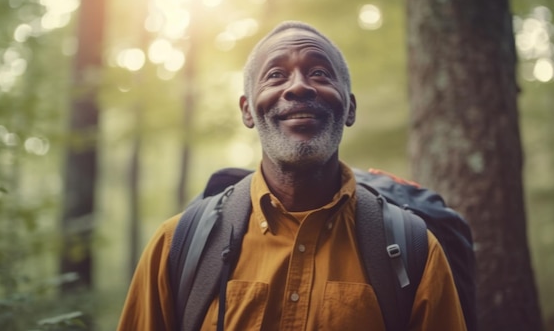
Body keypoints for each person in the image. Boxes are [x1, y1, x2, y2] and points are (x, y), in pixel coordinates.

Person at [118, 21, 467, 331]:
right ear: (247, 110)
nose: (299, 87)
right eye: (275, 75)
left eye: (319, 73)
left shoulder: (415, 249)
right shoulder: (175, 244)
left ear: (350, 108)